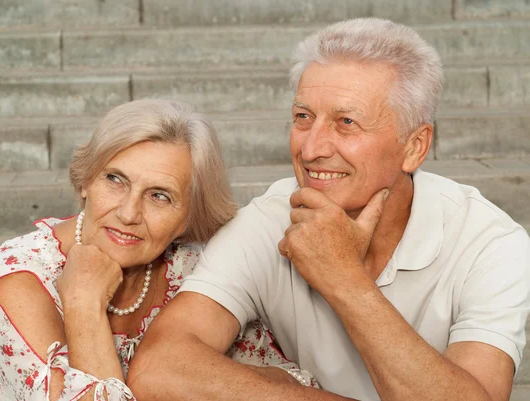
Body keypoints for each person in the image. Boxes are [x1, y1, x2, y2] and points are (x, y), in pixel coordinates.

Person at [128, 18, 530, 401]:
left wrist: (344, 279)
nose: (311, 149)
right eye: (303, 117)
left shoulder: (490, 243)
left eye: (346, 122)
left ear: (415, 147)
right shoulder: (268, 220)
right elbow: (158, 369)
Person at [0, 99, 318, 401]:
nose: (129, 213)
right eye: (114, 180)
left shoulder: (193, 269)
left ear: (187, 218)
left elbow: (290, 383)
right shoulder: (18, 278)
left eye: (160, 196)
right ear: (85, 180)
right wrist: (83, 304)